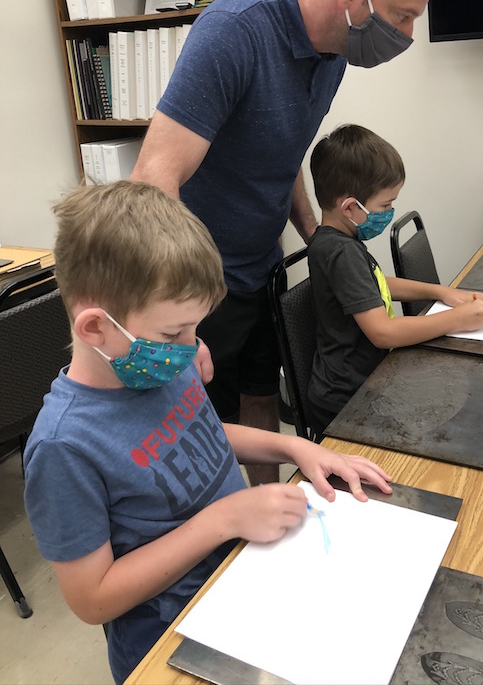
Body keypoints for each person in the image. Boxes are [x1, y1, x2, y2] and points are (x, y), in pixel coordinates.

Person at [23, 181, 392, 685]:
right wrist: (222, 520)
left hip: (241, 581)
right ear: (94, 329)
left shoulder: (155, 364)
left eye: (195, 328)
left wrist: (293, 445)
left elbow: (204, 433)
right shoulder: (63, 448)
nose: (191, 348)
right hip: (173, 640)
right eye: (173, 334)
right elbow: (92, 598)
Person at [130, 0, 444, 483]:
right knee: (190, 434)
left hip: (260, 268)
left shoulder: (335, 52)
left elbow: (284, 153)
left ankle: (267, 534)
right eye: (401, 16)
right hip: (202, 284)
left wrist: (318, 235)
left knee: (261, 402)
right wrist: (177, 315)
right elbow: (153, 180)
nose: (404, 35)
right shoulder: (236, 30)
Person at [307, 124, 483, 438]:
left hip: (358, 382)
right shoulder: (341, 252)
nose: (389, 212)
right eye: (384, 205)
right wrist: (457, 319)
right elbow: (382, 332)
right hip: (347, 400)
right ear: (350, 207)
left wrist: (442, 292)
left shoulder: (332, 241)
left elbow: (375, 284)